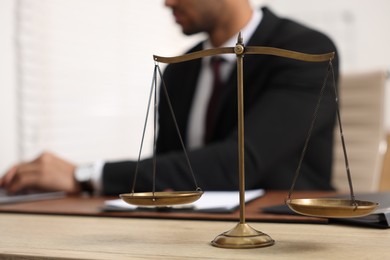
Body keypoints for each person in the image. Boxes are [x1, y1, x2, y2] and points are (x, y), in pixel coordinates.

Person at [0, 0, 339, 195]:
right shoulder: (180, 69)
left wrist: (86, 175)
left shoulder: (304, 51)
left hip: (288, 234)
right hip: (190, 233)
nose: (166, 2)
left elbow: (239, 163)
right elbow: (169, 170)